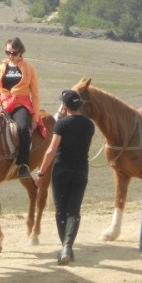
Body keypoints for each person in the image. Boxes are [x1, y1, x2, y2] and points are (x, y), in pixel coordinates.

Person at [33, 90, 95, 265]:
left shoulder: (61, 124)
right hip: (81, 169)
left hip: (62, 169)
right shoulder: (89, 125)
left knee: (61, 211)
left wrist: (40, 173)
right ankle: (68, 246)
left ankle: (65, 247)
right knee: (74, 210)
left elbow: (51, 150)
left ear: (65, 106)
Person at [0, 37, 41, 179]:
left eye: (14, 53)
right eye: (7, 52)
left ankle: (23, 163)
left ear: (20, 52)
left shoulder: (29, 68)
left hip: (20, 105)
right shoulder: (2, 68)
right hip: (3, 105)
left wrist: (35, 117)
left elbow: (35, 94)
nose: (10, 56)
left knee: (24, 128)